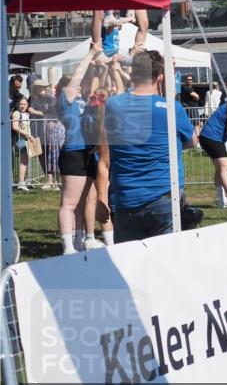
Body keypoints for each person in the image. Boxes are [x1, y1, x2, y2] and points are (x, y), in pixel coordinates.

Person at [103, 50, 196, 243]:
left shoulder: (113, 105)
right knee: (167, 257)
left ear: (133, 73)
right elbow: (192, 141)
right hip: (164, 196)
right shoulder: (171, 108)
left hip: (126, 197)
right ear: (159, 77)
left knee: (128, 259)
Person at [56, 44, 103, 254]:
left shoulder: (82, 101)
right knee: (69, 203)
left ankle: (77, 242)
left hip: (88, 153)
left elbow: (97, 93)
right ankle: (67, 247)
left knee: (82, 203)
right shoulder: (65, 101)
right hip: (73, 152)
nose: (77, 86)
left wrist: (100, 69)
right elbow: (77, 76)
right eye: (74, 86)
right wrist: (90, 54)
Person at [198, 87, 227, 219]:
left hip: (208, 137)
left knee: (220, 169)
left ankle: (222, 201)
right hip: (212, 137)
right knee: (224, 168)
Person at [11, 96, 33, 192]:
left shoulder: (26, 114)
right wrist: (26, 134)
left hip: (27, 139)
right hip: (21, 139)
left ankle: (23, 181)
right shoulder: (16, 113)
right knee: (23, 161)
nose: (23, 106)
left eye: (25, 104)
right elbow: (15, 127)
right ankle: (21, 183)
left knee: (25, 161)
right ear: (17, 104)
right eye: (21, 104)